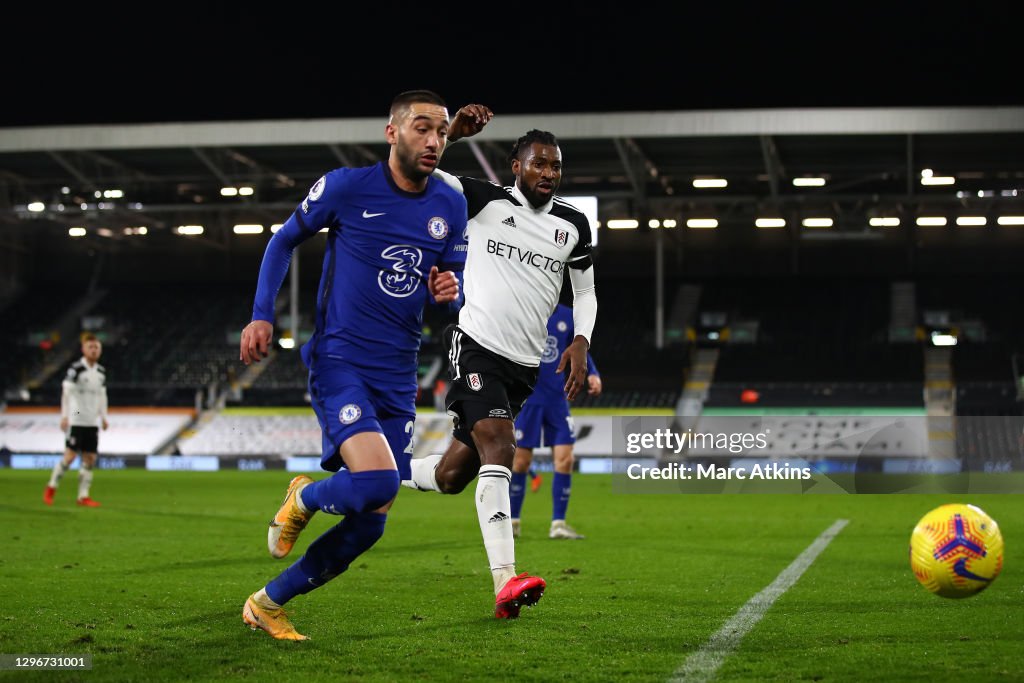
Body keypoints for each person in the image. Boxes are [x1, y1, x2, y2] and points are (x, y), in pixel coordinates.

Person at [238, 90, 467, 641]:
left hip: (399, 371)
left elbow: (451, 290)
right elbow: (283, 240)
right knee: (380, 479)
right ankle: (305, 496)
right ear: (392, 133)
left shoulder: (450, 204)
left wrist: (449, 290)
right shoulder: (345, 187)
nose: (433, 140)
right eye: (421, 128)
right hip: (341, 359)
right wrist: (261, 315)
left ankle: (268, 603)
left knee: (370, 523)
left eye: (440, 130)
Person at [404, 114, 598, 619]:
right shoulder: (483, 200)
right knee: (501, 445)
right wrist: (455, 136)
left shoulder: (573, 225)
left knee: (450, 476)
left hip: (525, 366)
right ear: (516, 167)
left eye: (556, 166)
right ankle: (505, 583)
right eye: (539, 164)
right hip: (476, 347)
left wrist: (580, 339)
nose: (549, 173)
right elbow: (421, 170)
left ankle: (374, 469)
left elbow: (586, 292)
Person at [510, 303, 602, 540]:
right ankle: (512, 522)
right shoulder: (523, 308)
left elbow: (579, 349)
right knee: (520, 462)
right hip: (528, 398)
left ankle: (558, 524)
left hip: (556, 399)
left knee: (565, 458)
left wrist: (592, 372)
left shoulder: (566, 316)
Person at [44, 332, 108, 507]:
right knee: (70, 457)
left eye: (96, 347)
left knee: (90, 459)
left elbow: (102, 396)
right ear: (83, 349)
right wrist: (64, 415)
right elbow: (66, 393)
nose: (94, 350)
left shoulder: (101, 372)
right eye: (90, 347)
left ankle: (83, 496)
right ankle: (51, 487)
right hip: (77, 418)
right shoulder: (76, 369)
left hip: (91, 421)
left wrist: (104, 416)